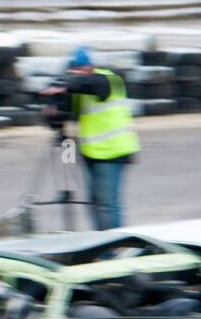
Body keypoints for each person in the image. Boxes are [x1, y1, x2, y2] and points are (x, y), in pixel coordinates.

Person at [41, 46, 140, 229]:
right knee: (94, 202)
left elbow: (91, 84)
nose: (76, 73)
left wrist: (65, 86)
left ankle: (113, 249)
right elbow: (64, 115)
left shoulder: (109, 81)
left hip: (113, 152)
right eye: (74, 70)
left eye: (80, 69)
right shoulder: (79, 88)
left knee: (107, 204)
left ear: (91, 66)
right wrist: (52, 111)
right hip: (92, 153)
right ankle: (99, 245)